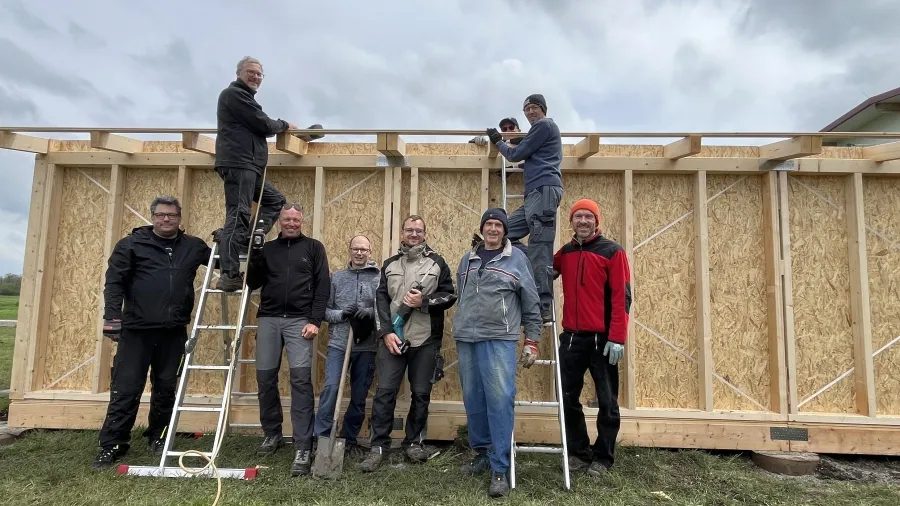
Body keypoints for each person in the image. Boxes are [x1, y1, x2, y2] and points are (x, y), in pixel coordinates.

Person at [92, 196, 212, 470]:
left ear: (179, 218)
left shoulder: (193, 247)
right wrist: (112, 317)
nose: (166, 219)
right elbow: (114, 283)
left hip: (173, 332)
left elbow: (221, 262)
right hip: (136, 332)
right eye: (160, 215)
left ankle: (158, 437)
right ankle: (112, 445)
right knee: (126, 389)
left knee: (167, 388)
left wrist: (232, 242)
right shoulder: (131, 245)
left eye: (171, 215)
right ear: (152, 217)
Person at [452, 208, 542, 498]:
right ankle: (483, 453)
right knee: (474, 399)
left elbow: (530, 300)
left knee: (500, 400)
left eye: (497, 225)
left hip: (499, 338)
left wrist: (532, 340)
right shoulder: (468, 259)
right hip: (467, 337)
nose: (492, 229)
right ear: (482, 228)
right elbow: (462, 295)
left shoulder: (517, 259)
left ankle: (500, 468)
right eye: (488, 224)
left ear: (504, 231)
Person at [212, 55, 323, 291]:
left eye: (259, 74)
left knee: (276, 201)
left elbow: (260, 123)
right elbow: (263, 124)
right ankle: (230, 273)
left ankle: (244, 239)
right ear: (239, 73)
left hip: (249, 165)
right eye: (251, 72)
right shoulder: (234, 95)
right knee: (239, 212)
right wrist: (286, 125)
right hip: (239, 163)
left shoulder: (244, 98)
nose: (255, 77)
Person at [359, 215, 457, 472]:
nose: (414, 234)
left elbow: (449, 295)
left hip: (425, 340)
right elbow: (380, 301)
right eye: (409, 230)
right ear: (402, 233)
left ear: (425, 233)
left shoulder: (437, 263)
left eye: (419, 230)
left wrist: (423, 302)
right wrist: (386, 333)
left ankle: (413, 442)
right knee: (385, 393)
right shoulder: (389, 264)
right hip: (393, 339)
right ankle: (378, 445)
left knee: (421, 394)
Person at [245, 203, 330, 477]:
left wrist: (314, 320)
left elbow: (322, 287)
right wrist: (256, 255)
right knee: (265, 379)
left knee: (301, 382)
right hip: (269, 318)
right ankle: (272, 433)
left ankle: (303, 445)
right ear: (280, 221)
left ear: (302, 220)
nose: (291, 223)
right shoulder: (268, 249)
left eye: (295, 219)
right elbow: (252, 283)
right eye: (286, 219)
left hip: (299, 322)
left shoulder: (314, 248)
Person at [553, 199, 632, 477]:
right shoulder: (566, 252)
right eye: (578, 217)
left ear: (596, 222)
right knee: (567, 397)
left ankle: (603, 457)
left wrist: (618, 338)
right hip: (572, 339)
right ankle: (578, 451)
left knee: (607, 401)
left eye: (588, 217)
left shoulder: (613, 251)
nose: (583, 221)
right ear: (572, 222)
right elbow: (547, 270)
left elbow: (622, 297)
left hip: (603, 341)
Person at [485, 94, 563, 322]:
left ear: (543, 109)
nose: (530, 112)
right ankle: (551, 268)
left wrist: (497, 141)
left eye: (534, 108)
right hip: (534, 194)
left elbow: (515, 153)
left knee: (540, 249)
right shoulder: (538, 132)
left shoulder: (544, 125)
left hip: (544, 190)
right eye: (526, 109)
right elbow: (524, 148)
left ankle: (543, 307)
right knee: (505, 231)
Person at [313, 235, 380, 455]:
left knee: (359, 395)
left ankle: (350, 440)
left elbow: (384, 311)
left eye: (364, 249)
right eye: (356, 249)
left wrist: (370, 313)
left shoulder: (378, 279)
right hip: (339, 344)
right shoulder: (337, 278)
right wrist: (342, 314)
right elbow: (324, 311)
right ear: (349, 250)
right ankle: (323, 437)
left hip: (366, 346)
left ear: (370, 251)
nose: (360, 253)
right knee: (331, 388)